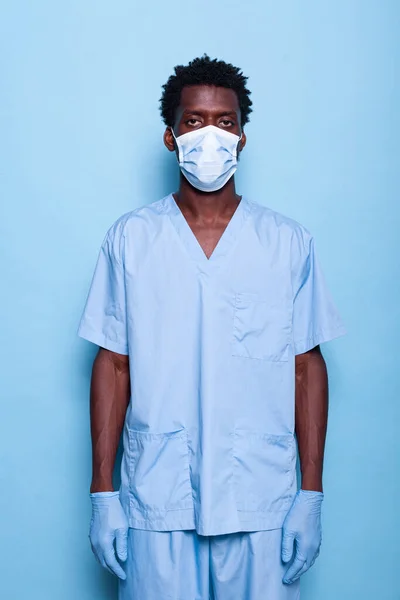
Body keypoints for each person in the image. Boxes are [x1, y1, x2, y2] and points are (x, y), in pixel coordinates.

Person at [78, 54, 346, 600]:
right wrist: (103, 492)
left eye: (225, 123)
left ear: (243, 138)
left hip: (260, 495)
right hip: (160, 495)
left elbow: (305, 367)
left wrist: (310, 494)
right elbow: (113, 363)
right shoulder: (130, 240)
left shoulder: (287, 243)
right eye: (194, 121)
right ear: (170, 137)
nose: (210, 136)